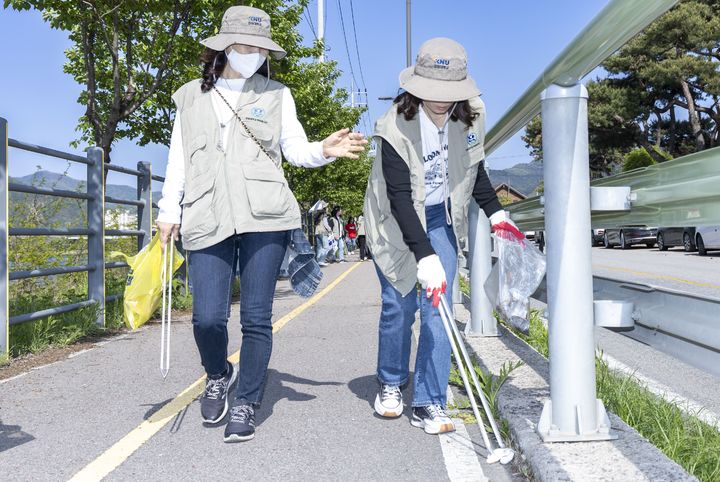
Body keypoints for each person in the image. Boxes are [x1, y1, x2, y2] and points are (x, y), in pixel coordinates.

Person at [156, 5, 366, 443]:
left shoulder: (277, 94)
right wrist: (168, 211)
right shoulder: (189, 96)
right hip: (206, 214)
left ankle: (247, 400)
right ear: (224, 46)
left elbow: (294, 150)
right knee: (208, 319)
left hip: (265, 216)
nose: (252, 53)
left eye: (259, 47)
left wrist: (323, 150)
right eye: (245, 45)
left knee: (256, 318)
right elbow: (178, 159)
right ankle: (217, 373)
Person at [364, 38, 524, 435]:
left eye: (449, 93)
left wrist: (498, 214)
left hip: (441, 216)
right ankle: (389, 381)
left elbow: (474, 171)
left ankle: (428, 401)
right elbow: (400, 199)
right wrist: (425, 256)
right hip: (393, 220)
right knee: (398, 304)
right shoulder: (393, 126)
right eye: (433, 92)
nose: (441, 101)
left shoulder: (470, 118)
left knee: (440, 309)